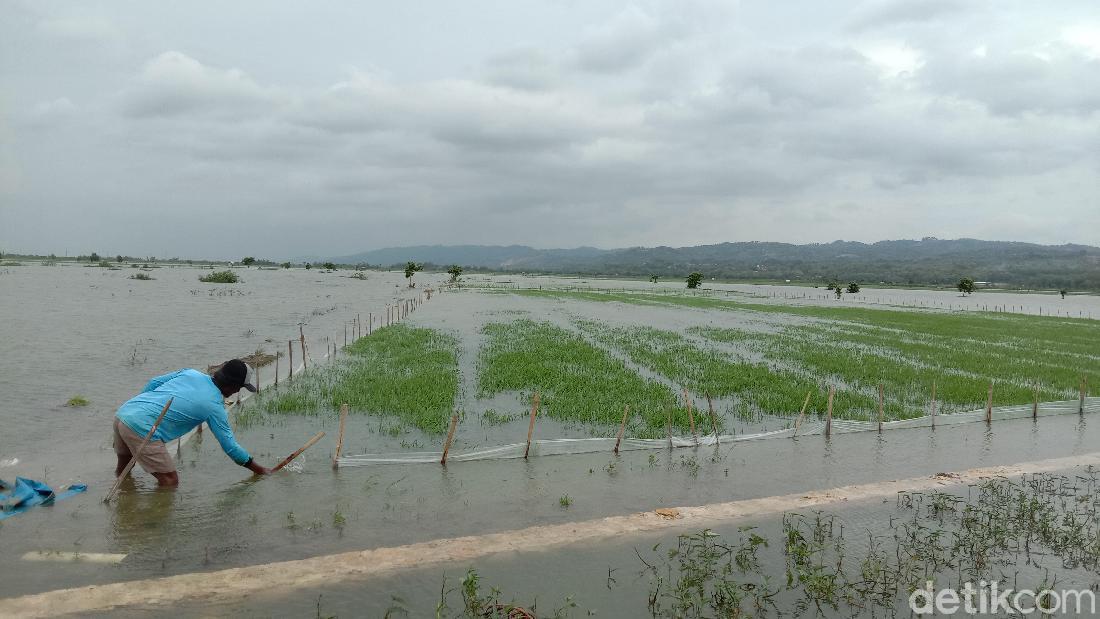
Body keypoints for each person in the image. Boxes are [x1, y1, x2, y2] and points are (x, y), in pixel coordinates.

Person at [113, 359, 270, 486]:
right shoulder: (214, 406)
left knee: (125, 466)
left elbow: (154, 382)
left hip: (125, 412)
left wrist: (142, 406)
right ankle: (151, 524)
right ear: (234, 386)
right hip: (141, 428)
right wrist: (260, 470)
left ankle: (124, 498)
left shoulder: (191, 373)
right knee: (170, 480)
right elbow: (230, 447)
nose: (237, 392)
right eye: (240, 388)